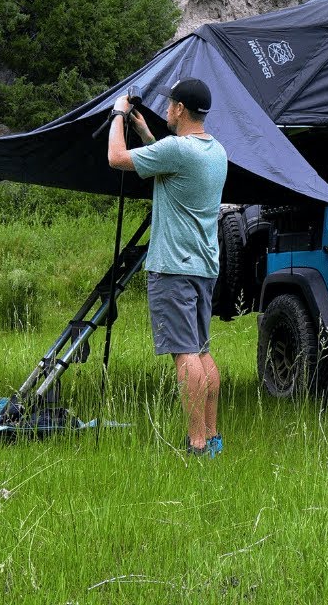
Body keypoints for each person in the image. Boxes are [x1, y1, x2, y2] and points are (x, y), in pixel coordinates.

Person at [107, 78, 228, 457]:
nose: (167, 111)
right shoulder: (216, 151)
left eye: (170, 105)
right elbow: (167, 163)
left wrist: (117, 115)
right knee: (202, 351)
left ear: (178, 109)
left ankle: (194, 445)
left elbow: (116, 159)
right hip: (204, 266)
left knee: (185, 355)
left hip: (173, 267)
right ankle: (211, 439)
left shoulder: (178, 150)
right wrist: (144, 130)